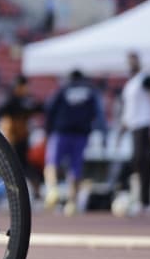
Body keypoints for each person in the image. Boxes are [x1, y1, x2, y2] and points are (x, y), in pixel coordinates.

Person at [42, 69, 108, 216]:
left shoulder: (63, 90)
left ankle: (52, 190)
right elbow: (99, 114)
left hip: (61, 132)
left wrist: (47, 131)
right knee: (75, 168)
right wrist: (104, 135)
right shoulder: (91, 92)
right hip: (80, 134)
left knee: (52, 163)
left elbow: (50, 109)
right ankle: (72, 202)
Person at [118, 51, 150, 215]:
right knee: (137, 162)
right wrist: (121, 131)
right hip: (135, 127)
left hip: (145, 125)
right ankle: (133, 197)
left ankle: (145, 201)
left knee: (143, 162)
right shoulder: (130, 84)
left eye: (133, 60)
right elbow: (129, 110)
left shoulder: (145, 79)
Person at [0, 74, 43, 199]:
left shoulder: (26, 100)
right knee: (13, 166)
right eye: (24, 86)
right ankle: (14, 195)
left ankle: (32, 193)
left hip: (23, 138)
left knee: (24, 166)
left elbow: (39, 108)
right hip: (12, 138)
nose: (26, 89)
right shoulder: (12, 99)